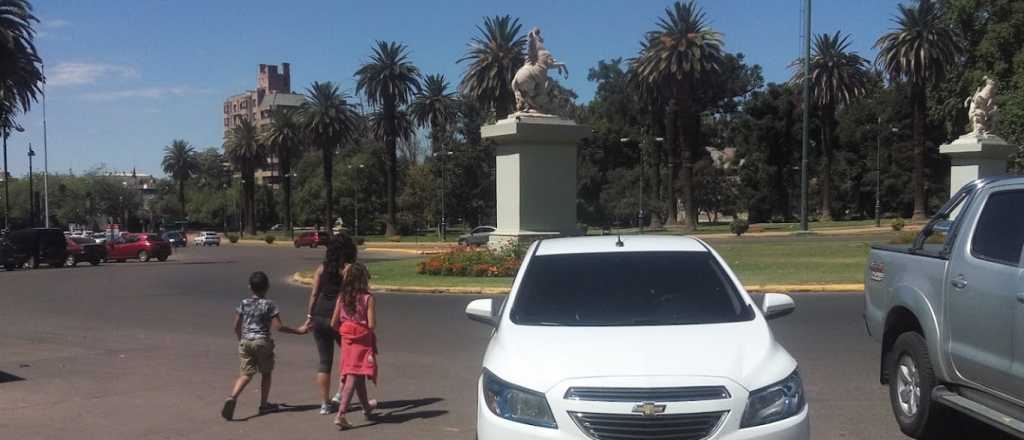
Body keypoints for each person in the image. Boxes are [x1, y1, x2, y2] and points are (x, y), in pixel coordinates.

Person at [221, 271, 306, 421]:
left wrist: (241, 340)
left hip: (246, 341)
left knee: (246, 374)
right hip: (262, 342)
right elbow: (278, 327)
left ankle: (232, 396)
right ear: (267, 287)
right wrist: (298, 331)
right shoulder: (269, 304)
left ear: (250, 287)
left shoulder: (243, 303)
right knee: (266, 373)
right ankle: (264, 404)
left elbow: (236, 326)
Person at [302, 233, 358, 415]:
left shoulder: (321, 268)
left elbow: (314, 294)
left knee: (324, 362)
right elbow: (350, 296)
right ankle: (341, 396)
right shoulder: (349, 269)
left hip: (319, 315)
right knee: (349, 359)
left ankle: (325, 403)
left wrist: (310, 316)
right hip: (339, 318)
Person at [330, 262, 378, 429]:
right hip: (362, 340)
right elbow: (371, 324)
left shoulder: (342, 297)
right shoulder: (367, 298)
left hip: (347, 339)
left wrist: (345, 332)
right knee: (354, 374)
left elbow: (333, 323)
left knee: (357, 375)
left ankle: (366, 407)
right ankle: (341, 414)